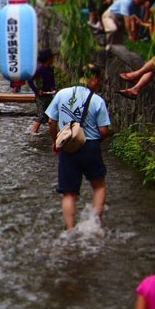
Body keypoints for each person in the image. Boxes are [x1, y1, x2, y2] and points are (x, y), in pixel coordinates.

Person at [46, 63, 112, 230]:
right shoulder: (97, 100)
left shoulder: (62, 94)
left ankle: (69, 229)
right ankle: (95, 225)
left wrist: (56, 141)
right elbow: (104, 130)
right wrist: (97, 140)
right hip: (90, 146)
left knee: (69, 193)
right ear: (94, 78)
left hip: (67, 147)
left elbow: (51, 121)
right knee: (99, 186)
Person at [28, 50, 57, 134]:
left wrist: (54, 89)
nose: (53, 60)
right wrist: (37, 91)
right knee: (41, 115)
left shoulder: (50, 69)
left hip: (49, 94)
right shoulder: (39, 70)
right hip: (41, 96)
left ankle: (51, 131)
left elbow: (52, 82)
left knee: (50, 114)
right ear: (48, 59)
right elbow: (30, 80)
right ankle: (33, 132)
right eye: (52, 58)